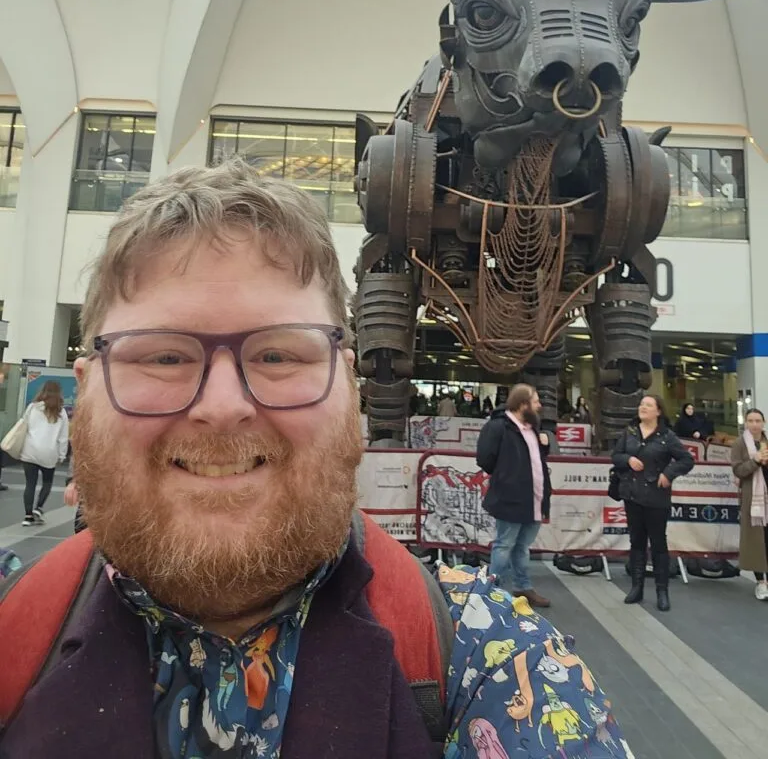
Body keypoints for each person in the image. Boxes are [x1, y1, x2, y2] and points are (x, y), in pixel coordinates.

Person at [0, 160, 629, 757]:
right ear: (85, 389)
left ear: (350, 386)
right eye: (163, 357)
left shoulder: (492, 659)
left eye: (278, 356)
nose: (223, 406)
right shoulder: (12, 629)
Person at [612, 395, 694, 611]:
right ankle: (636, 587)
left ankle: (662, 591)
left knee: (658, 544)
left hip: (657, 497)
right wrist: (628, 460)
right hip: (632, 495)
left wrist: (669, 473)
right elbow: (616, 455)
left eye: (648, 405)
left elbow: (687, 460)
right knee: (636, 542)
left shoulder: (667, 436)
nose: (643, 408)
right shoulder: (629, 432)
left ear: (658, 411)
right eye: (641, 405)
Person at [476, 383, 552, 608]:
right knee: (504, 544)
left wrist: (544, 447)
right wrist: (507, 477)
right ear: (523, 404)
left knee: (522, 546)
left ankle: (522, 586)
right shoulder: (498, 427)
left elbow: (536, 459)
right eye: (535, 401)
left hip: (534, 499)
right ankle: (493, 590)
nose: (539, 405)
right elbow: (485, 458)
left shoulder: (532, 427)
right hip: (510, 497)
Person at [18, 381, 69, 526]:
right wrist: (62, 455)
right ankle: (38, 508)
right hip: (49, 453)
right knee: (47, 482)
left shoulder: (32, 407)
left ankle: (28, 516)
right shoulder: (61, 412)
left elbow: (24, 426)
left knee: (30, 484)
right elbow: (63, 437)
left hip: (30, 451)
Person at [731, 407, 768, 600]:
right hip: (752, 499)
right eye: (751, 421)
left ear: (763, 423)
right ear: (746, 423)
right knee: (755, 540)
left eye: (758, 421)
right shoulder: (740, 444)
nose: (754, 424)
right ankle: (761, 581)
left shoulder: (766, 442)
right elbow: (738, 470)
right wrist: (755, 461)